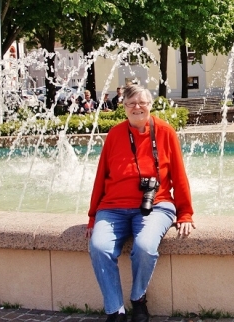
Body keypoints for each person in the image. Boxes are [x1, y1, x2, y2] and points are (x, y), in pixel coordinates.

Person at [87, 84, 195, 322]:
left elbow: (179, 175)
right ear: (123, 107)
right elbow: (101, 176)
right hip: (113, 207)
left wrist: (185, 213)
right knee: (98, 247)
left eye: (142, 102)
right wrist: (93, 215)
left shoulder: (165, 132)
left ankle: (138, 299)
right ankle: (115, 310)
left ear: (150, 105)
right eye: (131, 103)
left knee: (145, 247)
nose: (137, 107)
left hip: (157, 205)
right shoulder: (115, 134)